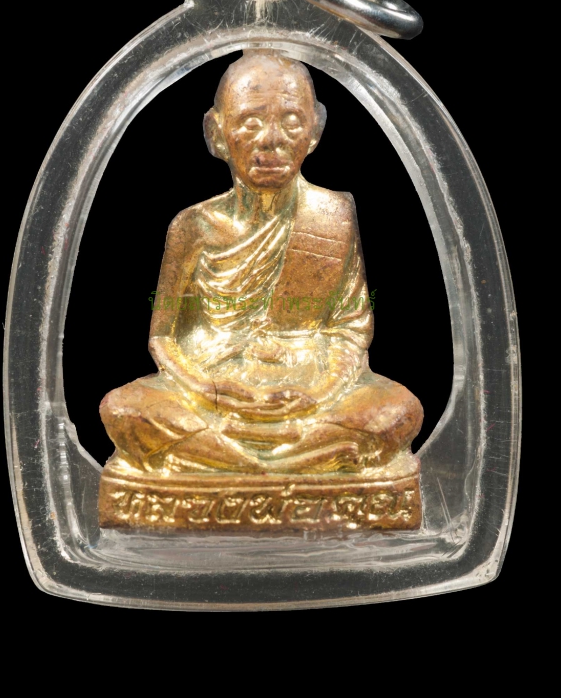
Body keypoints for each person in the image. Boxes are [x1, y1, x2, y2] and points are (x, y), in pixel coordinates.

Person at [100, 52, 422, 475]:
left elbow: (350, 331)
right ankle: (297, 459)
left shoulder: (332, 216)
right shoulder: (193, 227)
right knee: (125, 409)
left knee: (398, 410)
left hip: (309, 392)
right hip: (212, 391)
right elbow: (163, 338)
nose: (271, 139)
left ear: (315, 131)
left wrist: (320, 394)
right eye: (251, 122)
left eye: (291, 121)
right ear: (216, 133)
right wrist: (206, 389)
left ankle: (230, 462)